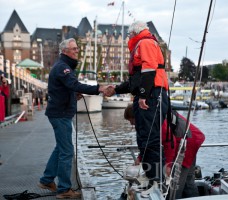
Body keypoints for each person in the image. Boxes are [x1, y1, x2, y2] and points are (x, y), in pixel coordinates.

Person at [39, 38, 109, 199]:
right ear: (65, 51)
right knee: (67, 151)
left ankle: (47, 179)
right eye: (74, 49)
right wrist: (99, 89)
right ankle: (64, 190)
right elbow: (74, 84)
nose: (77, 51)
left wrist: (73, 94)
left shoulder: (63, 66)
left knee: (61, 148)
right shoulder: (63, 68)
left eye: (77, 48)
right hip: (60, 114)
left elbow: (65, 87)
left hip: (59, 113)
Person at [106, 21, 169, 184]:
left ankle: (157, 180)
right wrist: (116, 89)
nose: (128, 37)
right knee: (144, 138)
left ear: (134, 33)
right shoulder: (142, 43)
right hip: (150, 93)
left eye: (129, 35)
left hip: (152, 94)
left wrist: (142, 96)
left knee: (150, 138)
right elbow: (136, 80)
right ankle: (152, 177)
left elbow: (149, 70)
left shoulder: (145, 42)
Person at [124, 104, 205, 198]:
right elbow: (149, 142)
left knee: (175, 183)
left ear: (137, 116)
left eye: (131, 120)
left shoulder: (155, 120)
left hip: (187, 142)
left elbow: (170, 142)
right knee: (188, 180)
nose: (131, 124)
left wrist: (168, 165)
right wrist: (140, 157)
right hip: (192, 138)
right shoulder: (151, 117)